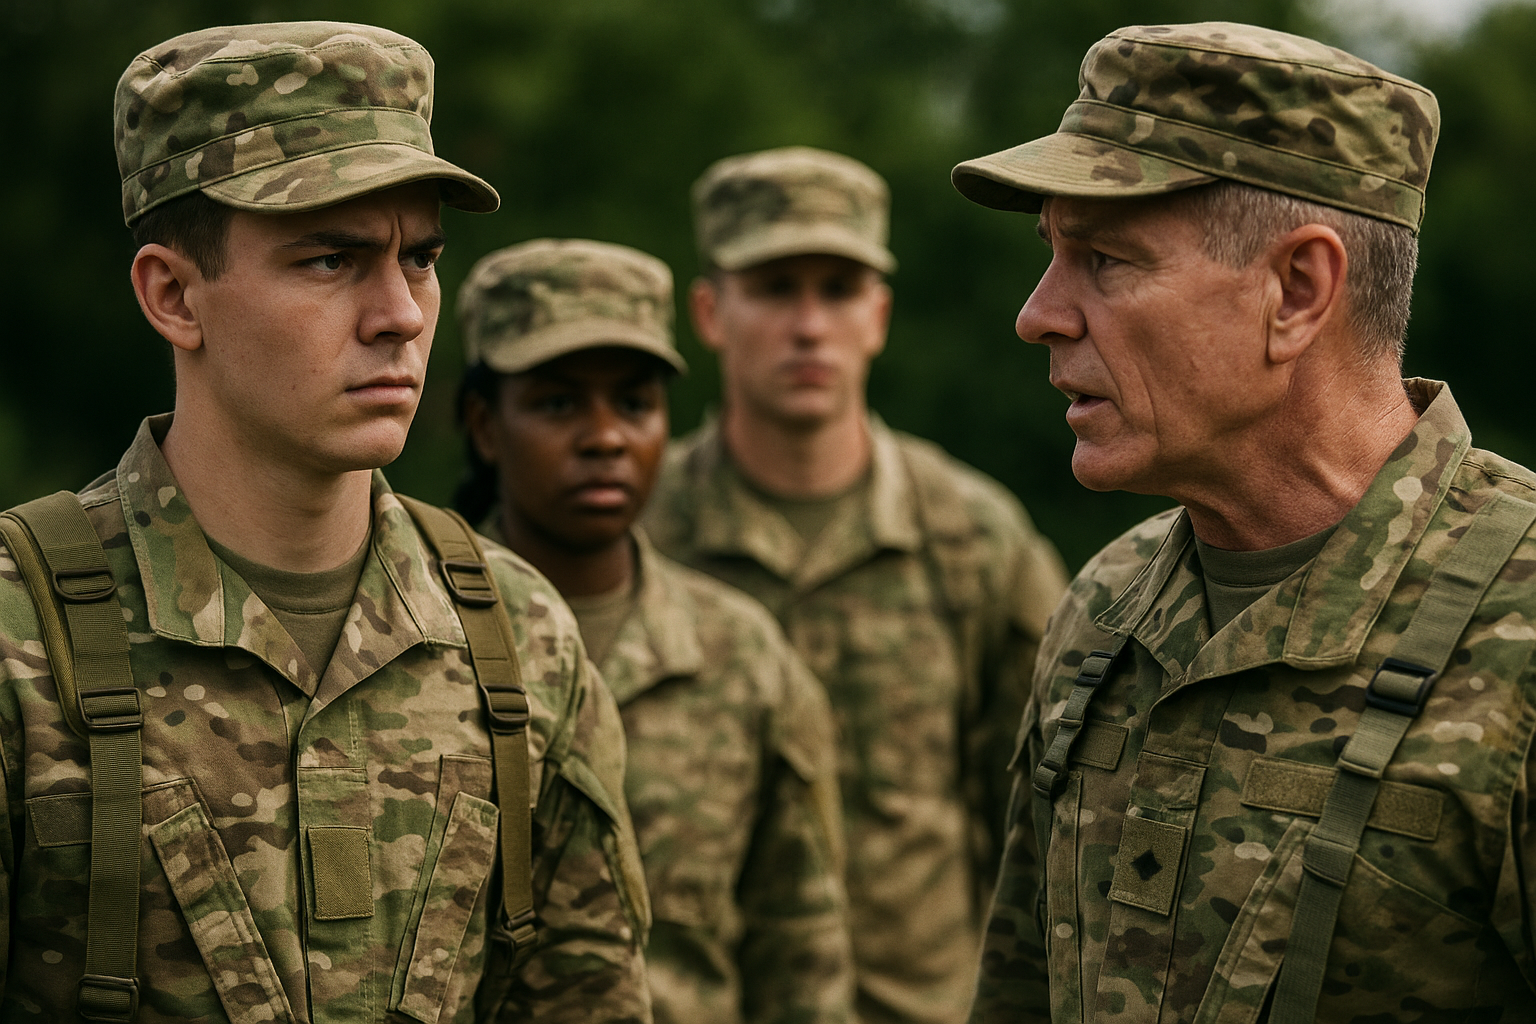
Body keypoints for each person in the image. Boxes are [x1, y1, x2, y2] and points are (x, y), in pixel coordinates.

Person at [0, 24, 651, 1022]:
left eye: (421, 258)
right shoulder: (21, 639)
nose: (400, 313)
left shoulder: (516, 640)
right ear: (174, 294)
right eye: (330, 260)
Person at [951, 20, 1536, 1023]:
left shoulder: (1515, 632)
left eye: (1105, 260)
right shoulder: (1105, 613)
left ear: (1296, 292)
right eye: (1052, 254)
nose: (1038, 313)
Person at [643, 146, 1070, 1024]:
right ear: (710, 312)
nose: (809, 325)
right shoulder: (637, 536)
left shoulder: (970, 539)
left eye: (837, 290)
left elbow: (1040, 830)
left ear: (877, 314)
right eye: (774, 288)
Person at [454, 237, 857, 1024]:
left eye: (634, 404)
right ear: (485, 424)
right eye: (558, 403)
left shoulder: (739, 657)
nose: (605, 438)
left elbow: (799, 956)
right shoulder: (418, 636)